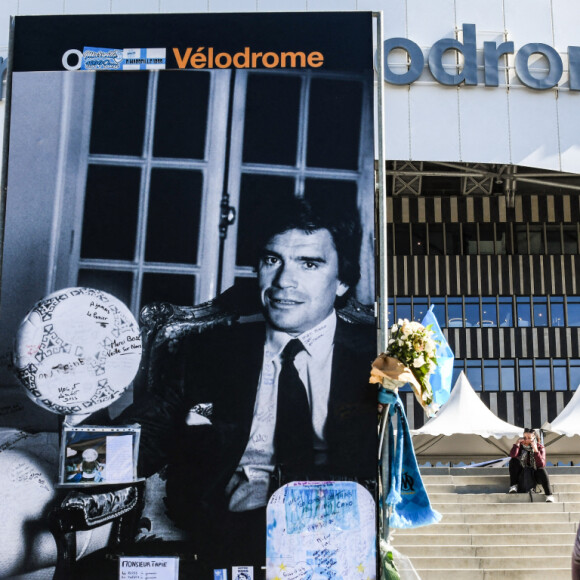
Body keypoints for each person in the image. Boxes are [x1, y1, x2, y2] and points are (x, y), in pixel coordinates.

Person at [118, 197, 377, 575]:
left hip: (343, 541)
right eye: (273, 260)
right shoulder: (207, 353)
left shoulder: (379, 358)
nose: (283, 281)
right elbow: (134, 442)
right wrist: (83, 417)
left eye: (309, 263)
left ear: (342, 281)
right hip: (232, 538)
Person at [508, 428, 554, 502]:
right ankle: (513, 486)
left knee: (542, 470)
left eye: (529, 438)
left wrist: (535, 450)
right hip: (522, 473)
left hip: (535, 473)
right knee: (513, 461)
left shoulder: (540, 447)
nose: (526, 440)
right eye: (525, 437)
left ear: (534, 437)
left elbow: (541, 464)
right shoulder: (520, 446)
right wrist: (517, 443)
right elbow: (513, 455)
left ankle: (549, 495)